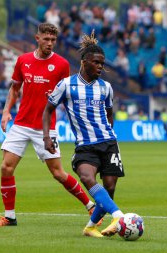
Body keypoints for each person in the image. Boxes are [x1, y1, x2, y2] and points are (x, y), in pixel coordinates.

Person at [0, 23, 96, 227]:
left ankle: (90, 205)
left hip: (46, 128)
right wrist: (5, 112)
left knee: (57, 173)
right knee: (6, 167)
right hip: (21, 123)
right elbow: (15, 88)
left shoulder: (62, 64)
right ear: (37, 38)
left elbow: (67, 93)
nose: (50, 43)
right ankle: (9, 216)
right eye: (46, 39)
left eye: (53, 40)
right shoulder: (23, 60)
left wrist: (58, 97)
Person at [43, 31, 125, 238]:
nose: (100, 67)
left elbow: (109, 114)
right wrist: (46, 136)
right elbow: (48, 110)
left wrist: (110, 136)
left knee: (109, 188)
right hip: (85, 145)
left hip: (108, 143)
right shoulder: (66, 85)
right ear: (84, 61)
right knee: (87, 177)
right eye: (96, 63)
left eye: (102, 63)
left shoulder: (106, 88)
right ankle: (119, 216)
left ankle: (90, 227)